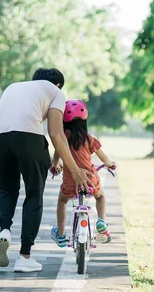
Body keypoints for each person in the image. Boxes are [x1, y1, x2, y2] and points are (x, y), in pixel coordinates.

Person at [0, 68, 93, 273]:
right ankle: (24, 256)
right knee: (34, 193)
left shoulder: (14, 87)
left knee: (7, 189)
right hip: (27, 135)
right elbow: (56, 133)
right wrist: (75, 169)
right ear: (58, 85)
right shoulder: (55, 92)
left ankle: (5, 230)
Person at [49, 99, 115, 246]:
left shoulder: (63, 139)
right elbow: (103, 157)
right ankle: (101, 222)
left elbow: (56, 155)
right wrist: (110, 165)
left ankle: (60, 234)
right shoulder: (89, 139)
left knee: (62, 201)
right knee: (100, 197)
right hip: (90, 178)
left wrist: (55, 165)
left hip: (70, 180)